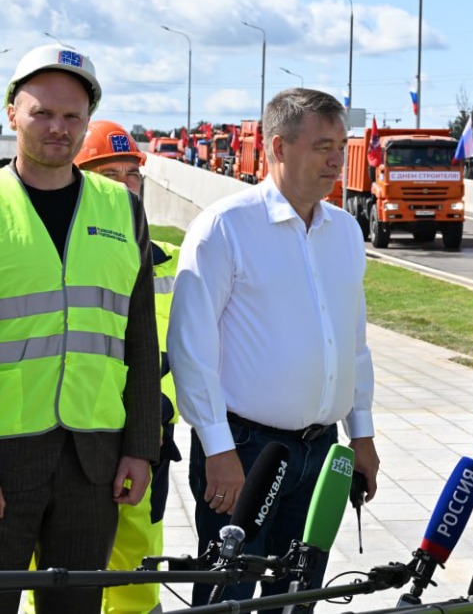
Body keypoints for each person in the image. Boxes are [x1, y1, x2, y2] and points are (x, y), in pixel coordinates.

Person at [169, 88, 380, 610]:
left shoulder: (346, 232)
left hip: (322, 450)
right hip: (244, 452)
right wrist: (217, 448)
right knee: (229, 595)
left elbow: (353, 343)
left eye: (342, 148)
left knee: (298, 597)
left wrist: (363, 434)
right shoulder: (225, 228)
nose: (337, 161)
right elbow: (190, 346)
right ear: (278, 148)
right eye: (323, 146)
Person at [0, 45, 160, 613]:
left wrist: (142, 447)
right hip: (5, 460)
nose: (57, 128)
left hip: (94, 463)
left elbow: (141, 340)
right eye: (42, 112)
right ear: (11, 113)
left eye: (72, 116)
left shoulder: (122, 209)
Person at [76, 121, 182, 614]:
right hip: (74, 446)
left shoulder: (176, 265)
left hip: (145, 448)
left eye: (131, 174)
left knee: (136, 577)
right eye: (108, 174)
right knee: (59, 577)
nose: (124, 186)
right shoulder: (66, 263)